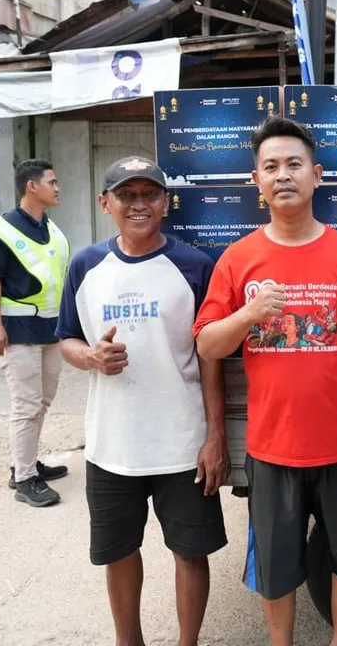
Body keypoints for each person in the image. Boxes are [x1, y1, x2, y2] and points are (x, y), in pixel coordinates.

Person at [194, 116, 337, 646]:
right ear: (256, 181)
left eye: (294, 164)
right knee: (276, 565)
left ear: (317, 175)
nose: (283, 175)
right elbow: (208, 345)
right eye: (271, 166)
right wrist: (248, 314)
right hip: (273, 446)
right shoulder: (238, 259)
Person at [56, 156, 229, 646]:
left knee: (191, 553)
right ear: (104, 203)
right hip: (112, 444)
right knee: (118, 552)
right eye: (126, 195)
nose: (138, 204)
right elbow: (66, 339)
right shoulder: (86, 265)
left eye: (149, 194)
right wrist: (91, 357)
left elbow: (210, 358)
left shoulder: (194, 266)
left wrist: (215, 436)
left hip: (182, 444)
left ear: (165, 202)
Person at [0, 159, 70, 508]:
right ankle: (25, 479)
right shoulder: (0, 231)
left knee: (41, 402)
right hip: (15, 332)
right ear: (31, 186)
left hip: (50, 329)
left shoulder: (50, 229)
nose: (57, 188)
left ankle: (25, 461)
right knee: (26, 405)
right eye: (52, 182)